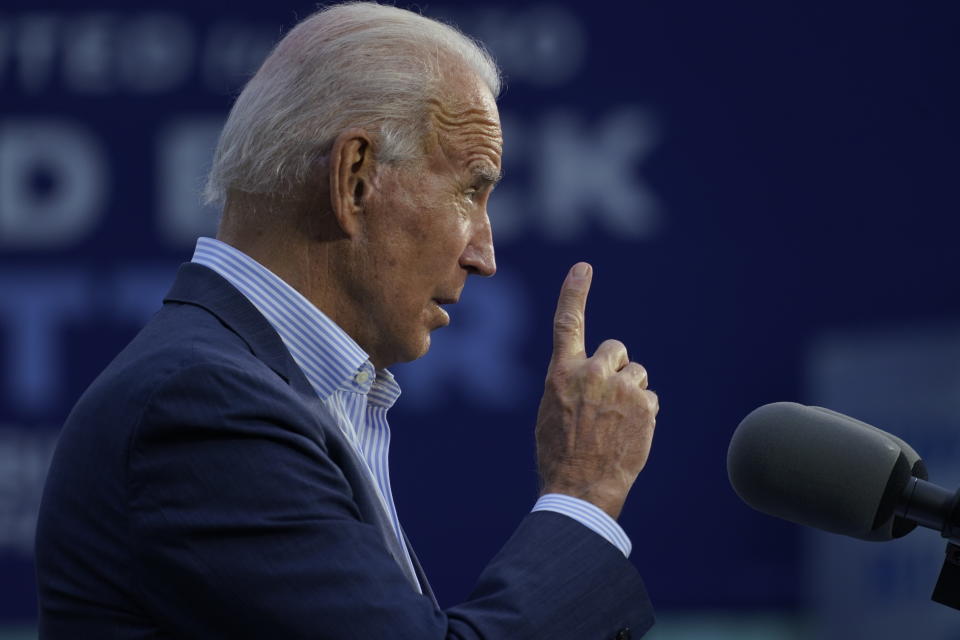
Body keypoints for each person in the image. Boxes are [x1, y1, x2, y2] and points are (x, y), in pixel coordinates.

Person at [35, 3, 659, 638]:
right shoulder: (203, 407)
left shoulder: (259, 393)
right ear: (355, 178)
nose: (484, 255)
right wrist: (584, 491)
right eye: (470, 192)